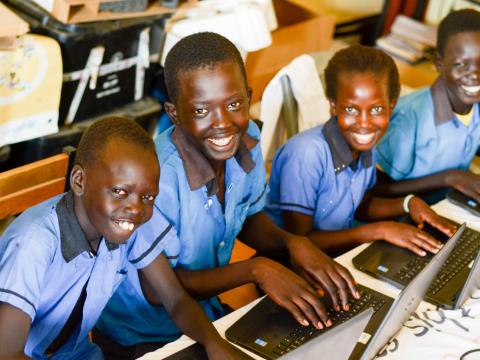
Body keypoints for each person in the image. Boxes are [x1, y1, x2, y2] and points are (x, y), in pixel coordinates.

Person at [94, 32, 359, 359]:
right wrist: (255, 269)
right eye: (201, 111)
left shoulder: (247, 136)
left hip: (207, 315)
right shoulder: (156, 180)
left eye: (234, 104)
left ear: (248, 98)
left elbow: (247, 216)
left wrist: (293, 243)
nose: (223, 124)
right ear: (174, 113)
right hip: (144, 335)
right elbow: (160, 290)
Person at [0, 117, 242, 360]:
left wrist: (214, 344)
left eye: (148, 197)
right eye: (119, 192)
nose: (135, 208)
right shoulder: (32, 244)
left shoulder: (129, 225)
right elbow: (7, 354)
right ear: (79, 181)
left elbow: (176, 300)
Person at [265, 45, 456, 257]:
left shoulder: (363, 145)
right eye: (350, 109)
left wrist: (408, 202)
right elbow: (300, 243)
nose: (364, 123)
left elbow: (360, 203)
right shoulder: (306, 154)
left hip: (336, 255)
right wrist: (379, 230)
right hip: (289, 266)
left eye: (376, 109)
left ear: (391, 106)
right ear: (333, 105)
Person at [374, 9, 480, 203]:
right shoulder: (410, 118)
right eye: (461, 64)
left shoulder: (475, 106)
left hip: (448, 208)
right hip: (403, 219)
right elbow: (377, 188)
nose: (475, 75)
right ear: (439, 63)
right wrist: (451, 178)